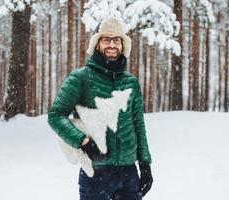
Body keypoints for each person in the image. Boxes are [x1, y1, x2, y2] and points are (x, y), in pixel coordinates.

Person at [48, 16, 153, 200]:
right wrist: (83, 142)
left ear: (123, 45)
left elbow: (138, 124)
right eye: (106, 39)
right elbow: (56, 115)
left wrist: (145, 164)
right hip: (95, 173)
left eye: (116, 40)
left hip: (129, 174)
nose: (112, 45)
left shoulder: (131, 82)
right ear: (97, 44)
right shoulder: (80, 78)